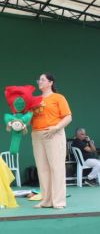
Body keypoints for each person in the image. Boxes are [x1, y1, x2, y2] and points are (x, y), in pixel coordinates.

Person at [31, 73, 72, 209]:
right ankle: (46, 200)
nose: (39, 82)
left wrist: (56, 128)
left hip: (54, 134)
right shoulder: (35, 100)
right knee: (42, 169)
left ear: (51, 83)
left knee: (57, 168)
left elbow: (68, 117)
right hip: (37, 134)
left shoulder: (58, 97)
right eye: (39, 80)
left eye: (42, 79)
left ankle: (58, 201)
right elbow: (29, 118)